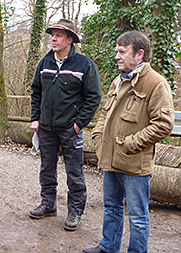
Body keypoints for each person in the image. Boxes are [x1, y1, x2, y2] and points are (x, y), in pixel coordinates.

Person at [83, 31, 174, 253]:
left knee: (138, 215)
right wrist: (98, 136)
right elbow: (105, 113)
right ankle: (108, 247)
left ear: (139, 54)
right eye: (116, 51)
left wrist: (130, 144)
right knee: (111, 208)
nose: (117, 56)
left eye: (122, 52)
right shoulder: (118, 80)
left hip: (135, 164)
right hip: (110, 159)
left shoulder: (155, 83)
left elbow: (164, 124)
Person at [29, 19, 102, 231]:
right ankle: (48, 204)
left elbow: (94, 98)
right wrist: (36, 118)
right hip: (47, 128)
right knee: (46, 168)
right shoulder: (44, 63)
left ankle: (75, 211)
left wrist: (79, 124)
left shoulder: (85, 65)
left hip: (70, 129)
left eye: (59, 35)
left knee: (75, 172)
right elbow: (36, 92)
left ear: (70, 40)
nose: (53, 38)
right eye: (52, 34)